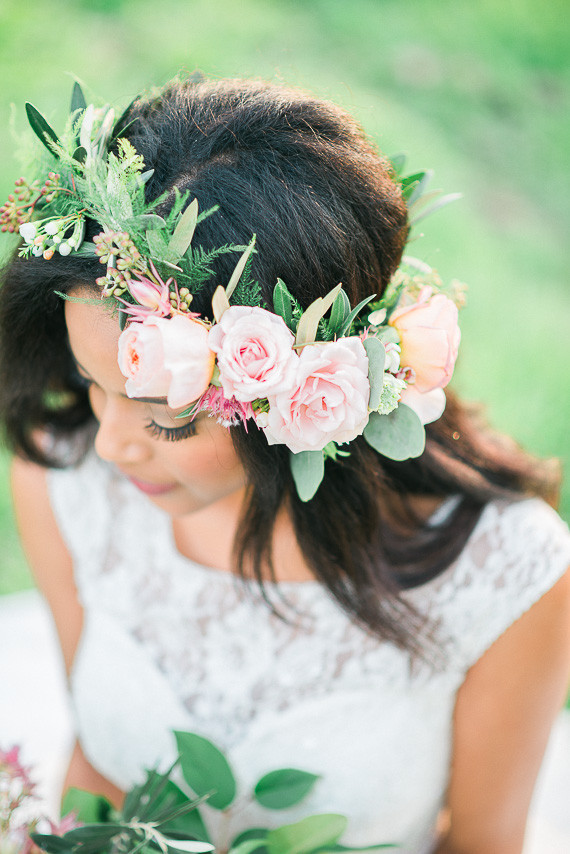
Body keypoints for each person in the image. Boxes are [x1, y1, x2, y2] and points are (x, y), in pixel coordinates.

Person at [1, 75, 569, 854]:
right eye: (91, 386)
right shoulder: (63, 478)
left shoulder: (510, 571)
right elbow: (98, 772)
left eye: (165, 417)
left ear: (291, 394)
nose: (108, 446)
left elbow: (483, 843)